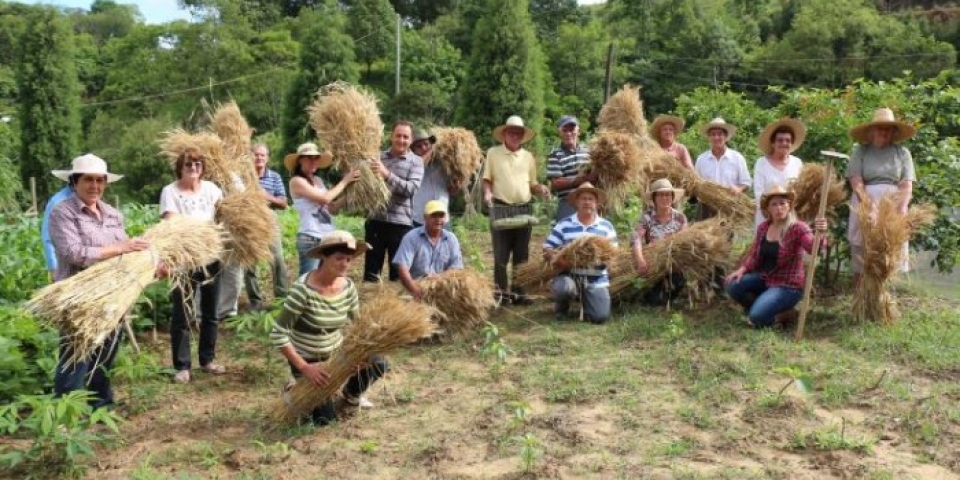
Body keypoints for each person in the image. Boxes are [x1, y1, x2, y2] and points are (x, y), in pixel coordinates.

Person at [48, 154, 152, 408]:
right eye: (88, 180)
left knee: (106, 353)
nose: (95, 186)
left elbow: (127, 250)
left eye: (100, 180)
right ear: (74, 182)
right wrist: (120, 248)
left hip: (112, 294)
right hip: (79, 295)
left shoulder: (113, 214)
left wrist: (149, 263)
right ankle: (67, 412)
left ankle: (100, 406)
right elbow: (74, 253)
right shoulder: (63, 213)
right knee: (76, 356)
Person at [271, 230, 387, 425]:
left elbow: (358, 324)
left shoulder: (348, 287)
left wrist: (358, 354)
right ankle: (295, 387)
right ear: (324, 257)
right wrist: (305, 367)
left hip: (335, 354)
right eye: (339, 258)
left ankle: (351, 396)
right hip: (308, 359)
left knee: (377, 362)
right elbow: (278, 334)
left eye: (349, 259)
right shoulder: (303, 291)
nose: (345, 264)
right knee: (324, 421)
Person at [159, 147, 226, 383]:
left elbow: (225, 214)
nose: (193, 168)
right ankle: (182, 366)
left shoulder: (212, 189)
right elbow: (171, 221)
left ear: (203, 168)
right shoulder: (170, 192)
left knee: (211, 312)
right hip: (184, 260)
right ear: (180, 167)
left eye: (198, 164)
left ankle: (207, 360)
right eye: (188, 164)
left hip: (211, 257)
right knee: (183, 313)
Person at [724, 185, 828, 328]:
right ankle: (763, 306)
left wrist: (820, 234)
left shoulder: (798, 228)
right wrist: (742, 269)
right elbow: (755, 255)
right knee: (731, 283)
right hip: (766, 279)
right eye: (774, 204)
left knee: (756, 318)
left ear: (789, 206)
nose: (779, 208)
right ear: (768, 209)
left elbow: (813, 248)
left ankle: (783, 315)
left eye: (782, 203)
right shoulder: (763, 228)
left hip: (787, 286)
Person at [482, 115, 551, 304]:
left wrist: (541, 189)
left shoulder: (528, 157)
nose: (515, 136)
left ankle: (519, 293)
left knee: (522, 254)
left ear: (522, 136)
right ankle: (501, 294)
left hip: (524, 208)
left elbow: (533, 184)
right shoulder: (493, 153)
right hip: (501, 208)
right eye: (512, 132)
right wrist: (487, 194)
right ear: (504, 134)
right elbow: (486, 180)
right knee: (501, 255)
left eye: (519, 133)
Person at [846, 107, 917, 285]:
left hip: (894, 204)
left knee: (889, 251)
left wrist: (901, 210)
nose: (883, 132)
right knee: (863, 251)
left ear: (893, 132)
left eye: (887, 128)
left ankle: (882, 300)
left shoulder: (902, 153)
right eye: (879, 128)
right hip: (865, 202)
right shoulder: (860, 151)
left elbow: (907, 184)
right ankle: (861, 299)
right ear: (871, 130)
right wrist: (869, 207)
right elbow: (856, 181)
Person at [543, 183, 618, 324]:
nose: (587, 202)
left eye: (590, 199)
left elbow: (613, 255)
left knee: (599, 317)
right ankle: (562, 305)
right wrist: (559, 260)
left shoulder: (606, 226)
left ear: (596, 203)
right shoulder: (564, 224)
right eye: (583, 198)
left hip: (595, 279)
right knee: (563, 288)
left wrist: (597, 260)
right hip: (569, 275)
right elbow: (547, 248)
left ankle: (586, 299)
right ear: (576, 202)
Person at [364, 120, 424, 282]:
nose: (401, 140)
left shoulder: (416, 162)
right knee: (371, 274)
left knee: (398, 275)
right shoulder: (378, 158)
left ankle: (397, 306)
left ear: (411, 140)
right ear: (391, 136)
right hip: (375, 221)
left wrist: (386, 175)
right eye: (398, 136)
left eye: (406, 137)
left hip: (401, 225)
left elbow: (411, 189)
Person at [287, 143, 358, 275]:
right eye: (309, 158)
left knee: (325, 277)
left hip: (327, 237)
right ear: (300, 160)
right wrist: (345, 181)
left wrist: (351, 194)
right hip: (310, 238)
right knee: (308, 278)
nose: (313, 161)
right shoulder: (296, 181)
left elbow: (331, 208)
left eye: (315, 158)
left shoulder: (318, 180)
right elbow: (324, 198)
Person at [246, 143, 290, 307]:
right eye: (256, 154)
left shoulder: (275, 177)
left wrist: (267, 197)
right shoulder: (243, 178)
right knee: (249, 264)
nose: (259, 158)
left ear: (267, 158)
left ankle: (281, 299)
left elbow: (284, 203)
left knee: (277, 259)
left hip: (269, 221)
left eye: (262, 155)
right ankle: (255, 301)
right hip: (249, 222)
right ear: (250, 156)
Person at [632, 178, 688, 305]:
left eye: (667, 194)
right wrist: (640, 259)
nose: (664, 198)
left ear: (672, 197)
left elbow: (684, 242)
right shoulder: (646, 217)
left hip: (674, 264)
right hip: (653, 264)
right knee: (653, 301)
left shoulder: (680, 218)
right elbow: (636, 239)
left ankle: (668, 295)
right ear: (654, 198)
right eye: (660, 195)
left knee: (678, 281)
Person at [394, 200, 464, 300]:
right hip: (415, 287)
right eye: (434, 215)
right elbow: (402, 267)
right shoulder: (412, 237)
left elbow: (457, 269)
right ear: (425, 218)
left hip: (443, 288)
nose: (438, 219)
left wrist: (440, 278)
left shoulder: (451, 238)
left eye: (441, 215)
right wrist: (415, 290)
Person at [694, 117, 751, 220]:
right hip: (706, 206)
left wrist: (738, 189)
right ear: (709, 137)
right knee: (704, 235)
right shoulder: (701, 159)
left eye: (720, 134)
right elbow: (696, 183)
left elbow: (746, 182)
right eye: (713, 134)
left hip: (729, 205)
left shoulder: (737, 158)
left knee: (728, 235)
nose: (716, 137)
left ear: (726, 136)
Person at [753, 118, 805, 226]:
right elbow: (759, 193)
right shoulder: (761, 163)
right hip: (767, 217)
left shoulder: (797, 163)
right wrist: (771, 213)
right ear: (772, 143)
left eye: (788, 140)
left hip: (791, 218)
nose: (784, 143)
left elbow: (801, 191)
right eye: (780, 140)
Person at [546, 115, 594, 222]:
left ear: (578, 131)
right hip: (568, 203)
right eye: (564, 130)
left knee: (591, 235)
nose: (568, 133)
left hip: (589, 202)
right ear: (560, 133)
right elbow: (556, 183)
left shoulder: (589, 152)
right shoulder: (555, 155)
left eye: (571, 129)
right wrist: (582, 180)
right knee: (567, 234)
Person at [410, 129, 457, 229]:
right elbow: (418, 167)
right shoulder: (412, 163)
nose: (424, 148)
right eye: (419, 146)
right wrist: (432, 150)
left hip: (443, 219)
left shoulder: (443, 164)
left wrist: (455, 184)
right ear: (413, 150)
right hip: (420, 220)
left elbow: (452, 191)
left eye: (426, 144)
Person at [41, 183, 73, 279]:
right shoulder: (58, 202)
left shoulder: (85, 198)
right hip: (63, 268)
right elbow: (48, 237)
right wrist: (54, 268)